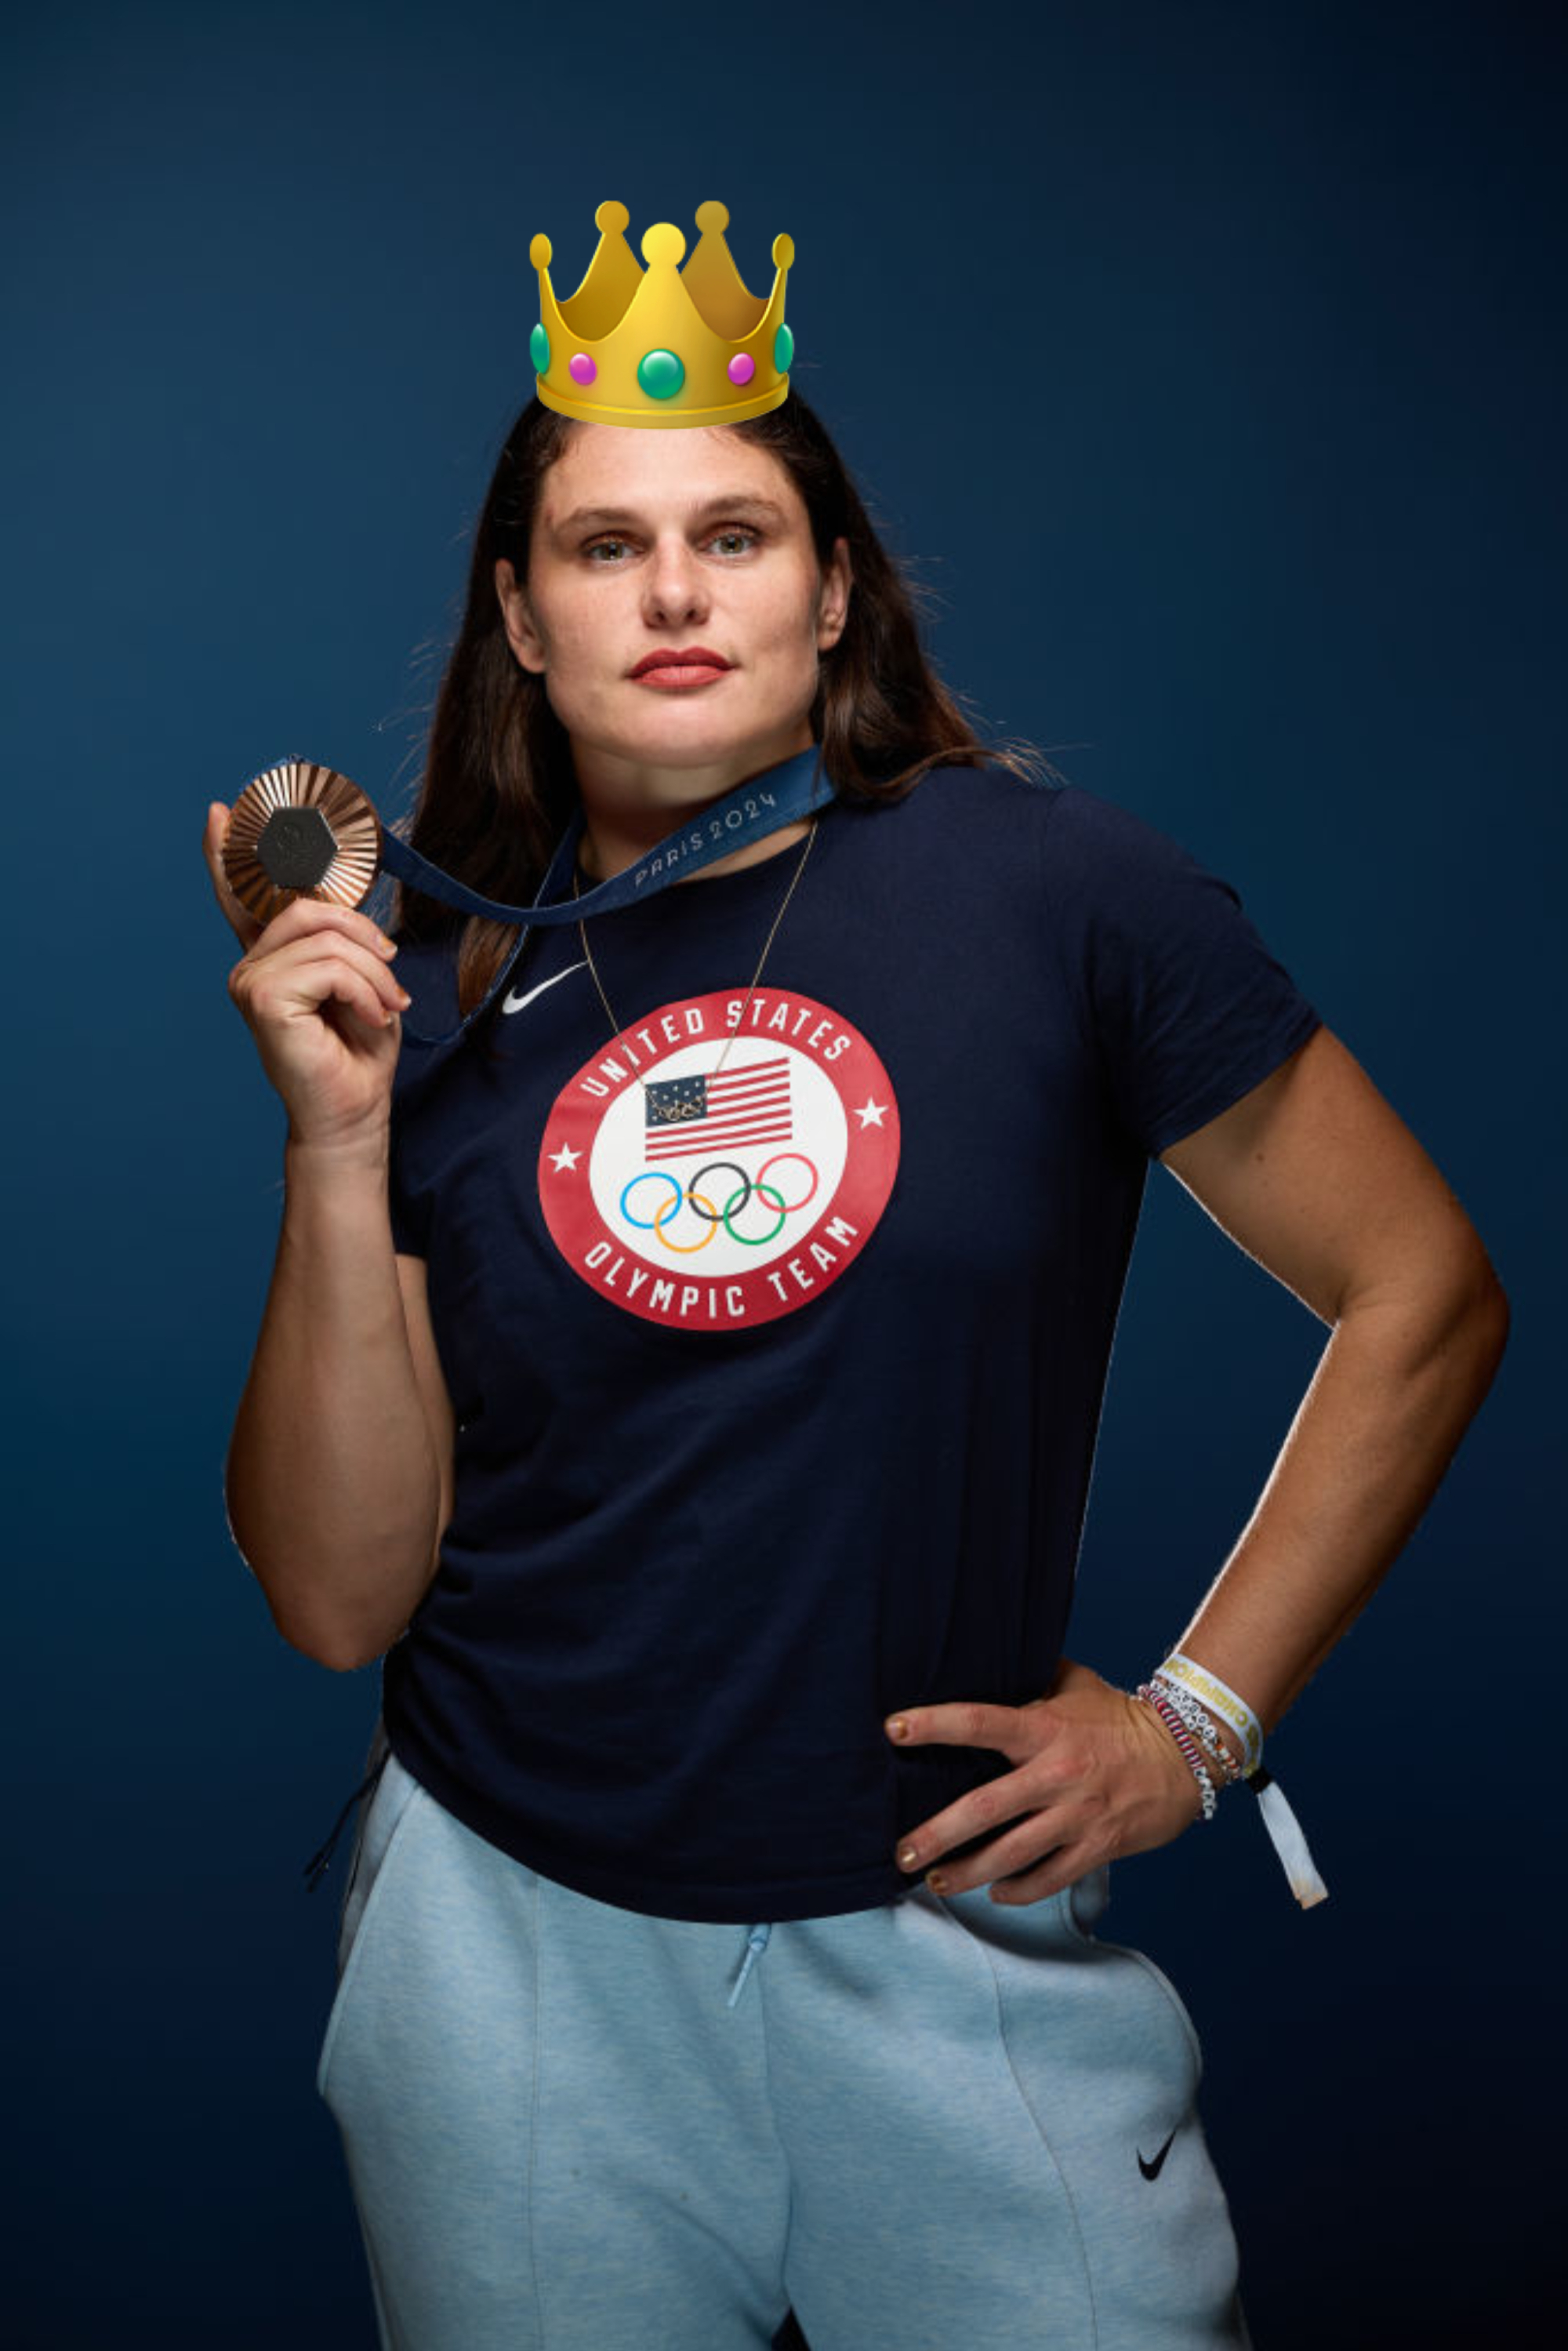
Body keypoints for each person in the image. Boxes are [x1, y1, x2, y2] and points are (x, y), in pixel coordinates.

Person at [203, 220, 1508, 2350]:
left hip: (947, 1946)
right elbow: (342, 1601)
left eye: (733, 535)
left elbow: (1422, 1290)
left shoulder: (1064, 896)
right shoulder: (435, 996)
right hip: (509, 1958)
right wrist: (335, 1141)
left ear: (830, 589)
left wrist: (1200, 1724)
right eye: (608, 547)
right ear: (522, 615)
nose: (676, 593)